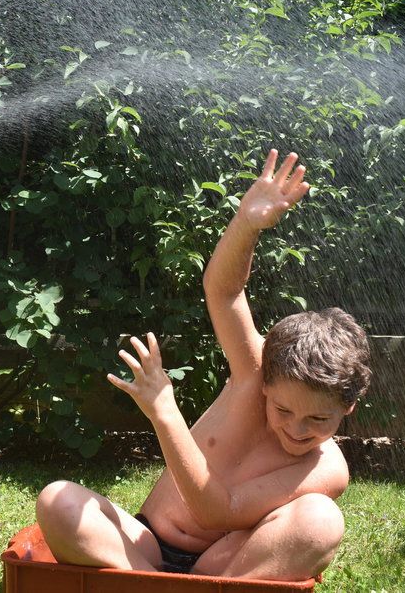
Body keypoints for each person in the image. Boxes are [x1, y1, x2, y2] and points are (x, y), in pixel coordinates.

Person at [35, 149, 371, 581]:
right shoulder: (255, 372)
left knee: (321, 520)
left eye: (318, 419)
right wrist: (247, 224)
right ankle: (152, 587)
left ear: (348, 408)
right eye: (283, 410)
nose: (296, 428)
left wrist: (164, 412)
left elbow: (219, 512)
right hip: (146, 548)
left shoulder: (326, 468)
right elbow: (225, 290)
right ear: (267, 383)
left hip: (226, 566)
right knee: (57, 499)